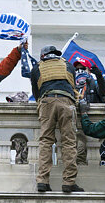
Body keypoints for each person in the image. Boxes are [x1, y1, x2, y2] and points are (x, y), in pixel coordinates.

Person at [25, 44, 82, 194]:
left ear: (43, 56)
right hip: (66, 101)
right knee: (69, 142)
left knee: (46, 141)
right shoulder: (68, 65)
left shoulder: (37, 68)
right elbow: (72, 86)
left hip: (47, 101)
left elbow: (36, 93)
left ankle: (43, 181)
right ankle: (69, 182)